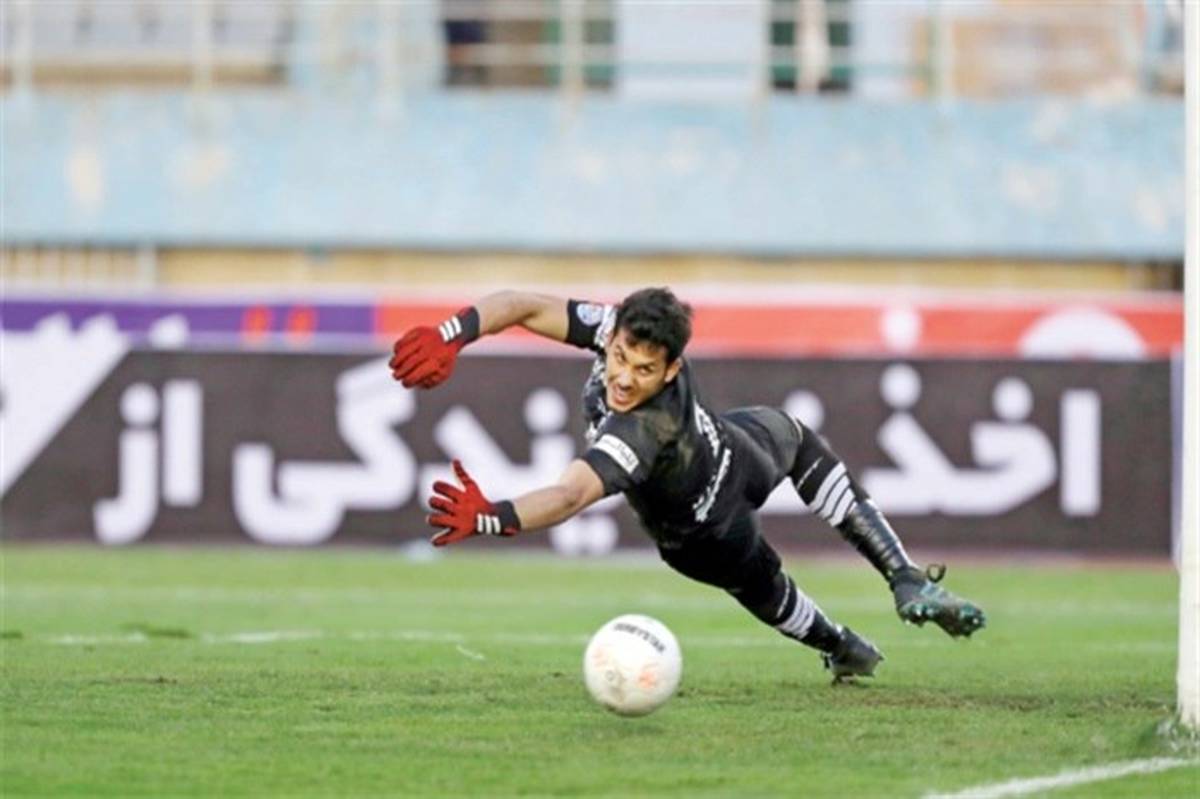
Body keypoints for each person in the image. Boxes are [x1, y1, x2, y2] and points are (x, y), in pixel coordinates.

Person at [389, 288, 986, 682]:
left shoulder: (644, 430)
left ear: (673, 368)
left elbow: (570, 495)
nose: (624, 378)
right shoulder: (616, 331)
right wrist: (451, 333)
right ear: (612, 335)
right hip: (732, 459)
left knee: (764, 579)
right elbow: (520, 305)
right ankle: (890, 590)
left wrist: (492, 515)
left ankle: (853, 632)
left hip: (708, 524)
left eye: (645, 370)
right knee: (797, 441)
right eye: (620, 357)